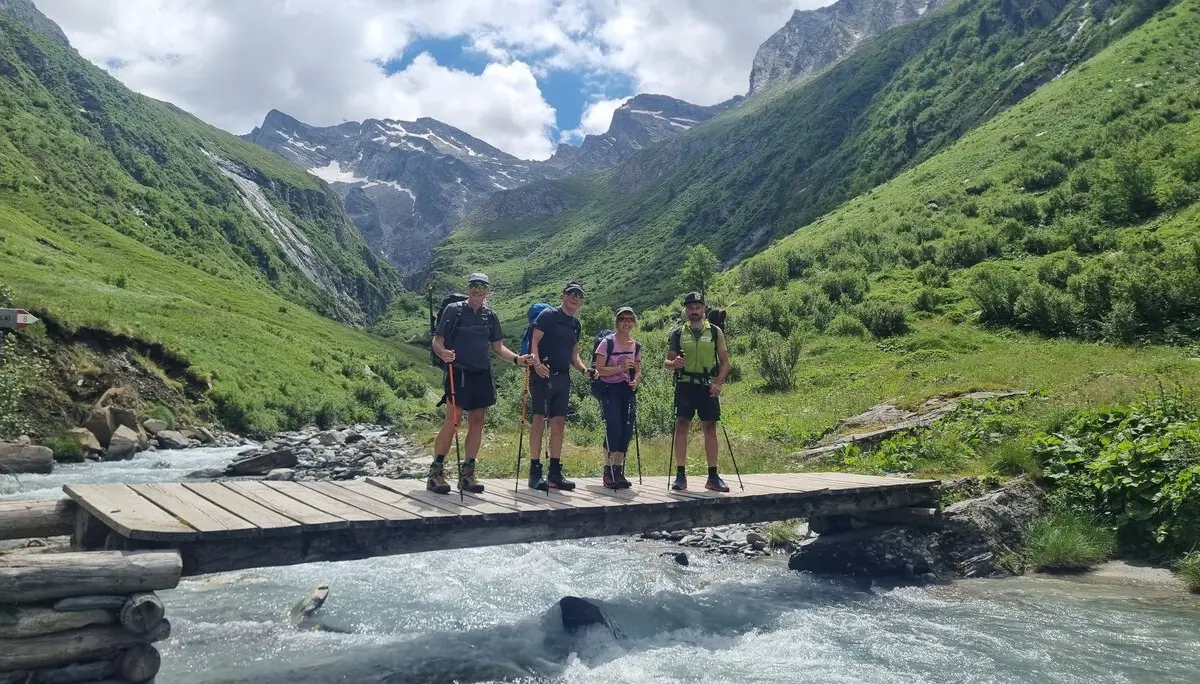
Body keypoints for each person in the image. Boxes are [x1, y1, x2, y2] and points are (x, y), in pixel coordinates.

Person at [428, 273, 533, 495]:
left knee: (477, 421)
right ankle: (435, 473)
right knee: (453, 420)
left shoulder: (490, 316)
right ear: (468, 288)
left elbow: (498, 347)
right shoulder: (453, 311)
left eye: (481, 286)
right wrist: (443, 353)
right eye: (473, 285)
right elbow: (437, 341)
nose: (477, 289)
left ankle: (468, 474)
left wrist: (518, 359)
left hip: (481, 373)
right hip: (458, 372)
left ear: (487, 291)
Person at [664, 291, 731, 492]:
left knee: (710, 428)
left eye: (698, 307)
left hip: (706, 385)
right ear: (686, 310)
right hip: (684, 384)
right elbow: (666, 363)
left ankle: (713, 476)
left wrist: (718, 383)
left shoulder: (715, 332)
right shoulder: (677, 333)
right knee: (682, 427)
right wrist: (673, 363)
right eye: (691, 307)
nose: (694, 311)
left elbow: (726, 362)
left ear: (704, 308)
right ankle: (680, 475)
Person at [526, 281, 589, 491]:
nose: (575, 297)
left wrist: (584, 370)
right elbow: (534, 341)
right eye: (571, 293)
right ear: (563, 295)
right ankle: (535, 471)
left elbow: (574, 354)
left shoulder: (575, 325)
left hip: (563, 377)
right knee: (538, 420)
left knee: (559, 423)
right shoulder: (548, 316)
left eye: (579, 295)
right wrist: (536, 365)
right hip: (543, 374)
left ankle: (554, 472)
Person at [594, 306, 642, 489]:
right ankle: (608, 471)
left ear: (634, 323)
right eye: (623, 319)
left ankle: (617, 469)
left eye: (630, 319)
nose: (627, 322)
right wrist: (619, 369)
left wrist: (635, 381)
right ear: (617, 321)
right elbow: (599, 369)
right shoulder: (607, 343)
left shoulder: (635, 345)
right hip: (610, 389)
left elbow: (638, 370)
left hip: (627, 391)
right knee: (613, 428)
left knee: (626, 431)